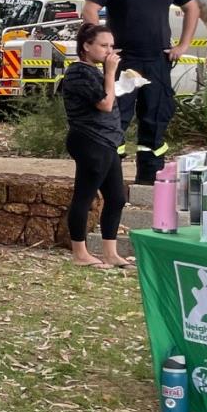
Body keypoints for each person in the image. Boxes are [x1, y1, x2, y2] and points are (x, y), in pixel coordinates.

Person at [83, 0, 200, 184]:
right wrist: (105, 46)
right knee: (116, 118)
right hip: (124, 62)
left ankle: (148, 181)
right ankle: (110, 181)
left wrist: (183, 46)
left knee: (155, 119)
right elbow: (90, 9)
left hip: (158, 59)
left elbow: (193, 7)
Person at [57, 21, 129, 268]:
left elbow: (109, 97)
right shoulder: (79, 72)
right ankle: (80, 252)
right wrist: (110, 73)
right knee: (84, 197)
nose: (109, 51)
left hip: (108, 141)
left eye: (111, 46)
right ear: (86, 46)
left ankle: (110, 252)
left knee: (117, 197)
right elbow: (105, 104)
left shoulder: (94, 72)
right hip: (89, 140)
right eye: (103, 45)